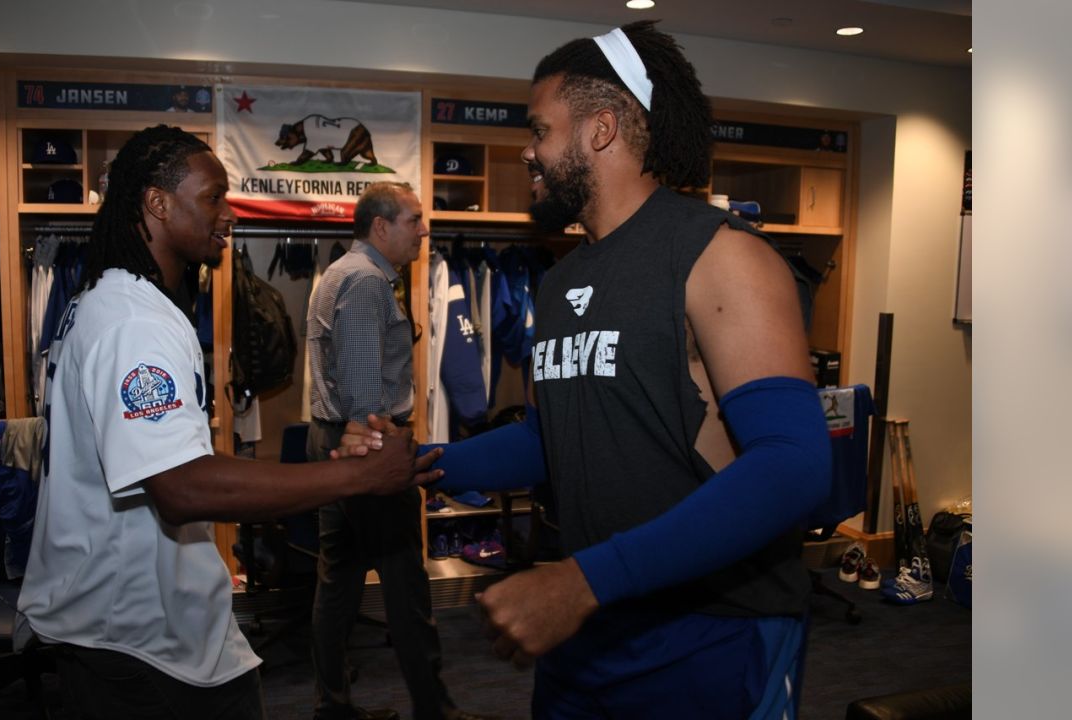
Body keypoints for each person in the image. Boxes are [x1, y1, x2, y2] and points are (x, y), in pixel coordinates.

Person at [340, 20, 831, 719]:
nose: (528, 152)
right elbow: (554, 437)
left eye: (540, 130)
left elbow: (793, 465)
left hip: (713, 635)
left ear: (601, 130)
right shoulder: (558, 280)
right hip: (591, 630)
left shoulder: (721, 256)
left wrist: (583, 581)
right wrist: (424, 463)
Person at [16, 125, 437, 720]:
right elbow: (182, 487)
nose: (228, 213)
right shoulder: (134, 322)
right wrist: (358, 478)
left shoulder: (110, 301)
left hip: (130, 623)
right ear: (158, 204)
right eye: (212, 197)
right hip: (135, 635)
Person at [306, 182, 492, 720]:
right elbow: (366, 399)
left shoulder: (341, 273)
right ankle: (435, 710)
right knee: (405, 580)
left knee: (338, 577)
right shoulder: (365, 282)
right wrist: (388, 454)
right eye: (415, 220)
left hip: (334, 439)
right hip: (368, 442)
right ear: (381, 226)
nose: (424, 231)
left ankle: (332, 706)